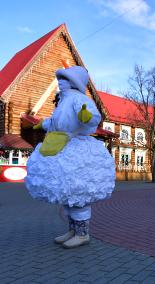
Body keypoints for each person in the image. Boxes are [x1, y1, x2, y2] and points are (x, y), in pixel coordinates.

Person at [25, 66, 116, 249]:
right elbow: (58, 121)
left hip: (76, 146)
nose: (60, 82)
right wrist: (43, 123)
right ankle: (73, 230)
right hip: (60, 143)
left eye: (64, 79)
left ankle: (83, 234)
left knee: (78, 192)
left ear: (74, 82)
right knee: (68, 195)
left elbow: (93, 118)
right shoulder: (63, 100)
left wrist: (87, 117)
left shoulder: (80, 99)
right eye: (59, 79)